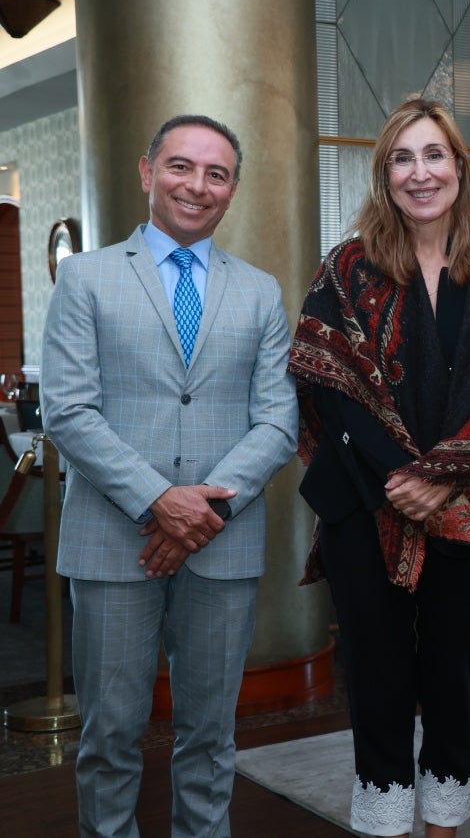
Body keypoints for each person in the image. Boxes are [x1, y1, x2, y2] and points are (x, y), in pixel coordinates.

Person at [288, 97, 470, 838]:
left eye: (434, 156)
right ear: (384, 174)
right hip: (365, 506)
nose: (419, 172)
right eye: (403, 158)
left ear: (459, 169)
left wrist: (447, 480)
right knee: (377, 682)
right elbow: (326, 385)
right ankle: (386, 826)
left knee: (455, 680)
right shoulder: (344, 269)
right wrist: (408, 479)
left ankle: (443, 830)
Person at [41, 114, 298, 836]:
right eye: (182, 167)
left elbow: (278, 420)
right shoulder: (86, 279)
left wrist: (199, 514)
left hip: (223, 543)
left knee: (212, 736)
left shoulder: (259, 291)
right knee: (111, 737)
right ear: (148, 172)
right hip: (111, 542)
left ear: (233, 189)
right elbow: (68, 411)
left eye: (217, 174)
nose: (198, 185)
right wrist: (160, 501)